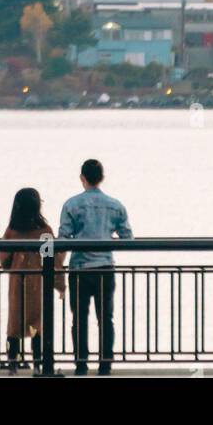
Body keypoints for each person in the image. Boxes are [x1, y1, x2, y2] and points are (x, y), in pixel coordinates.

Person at [59, 158, 132, 376]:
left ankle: (81, 364)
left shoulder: (71, 204)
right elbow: (128, 238)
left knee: (79, 317)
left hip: (80, 268)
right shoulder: (115, 205)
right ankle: (105, 364)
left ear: (82, 178)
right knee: (106, 318)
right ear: (102, 178)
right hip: (105, 268)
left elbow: (63, 238)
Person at [0, 187, 65, 373]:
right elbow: (55, 261)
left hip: (17, 283)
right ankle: (38, 364)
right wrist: (60, 286)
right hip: (38, 284)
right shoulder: (44, 231)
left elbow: (3, 258)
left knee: (14, 323)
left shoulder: (12, 231)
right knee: (37, 324)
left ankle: (12, 364)